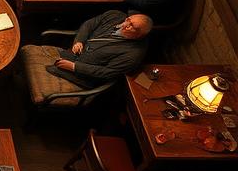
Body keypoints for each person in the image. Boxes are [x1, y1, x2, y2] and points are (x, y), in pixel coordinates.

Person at [18, 10, 153, 102]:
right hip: (72, 53)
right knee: (27, 52)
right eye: (128, 20)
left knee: (48, 68)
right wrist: (79, 41)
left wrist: (74, 67)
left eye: (131, 26)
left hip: (84, 75)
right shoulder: (116, 16)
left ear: (139, 35)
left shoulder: (133, 54)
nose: (125, 25)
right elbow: (89, 24)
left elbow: (107, 73)